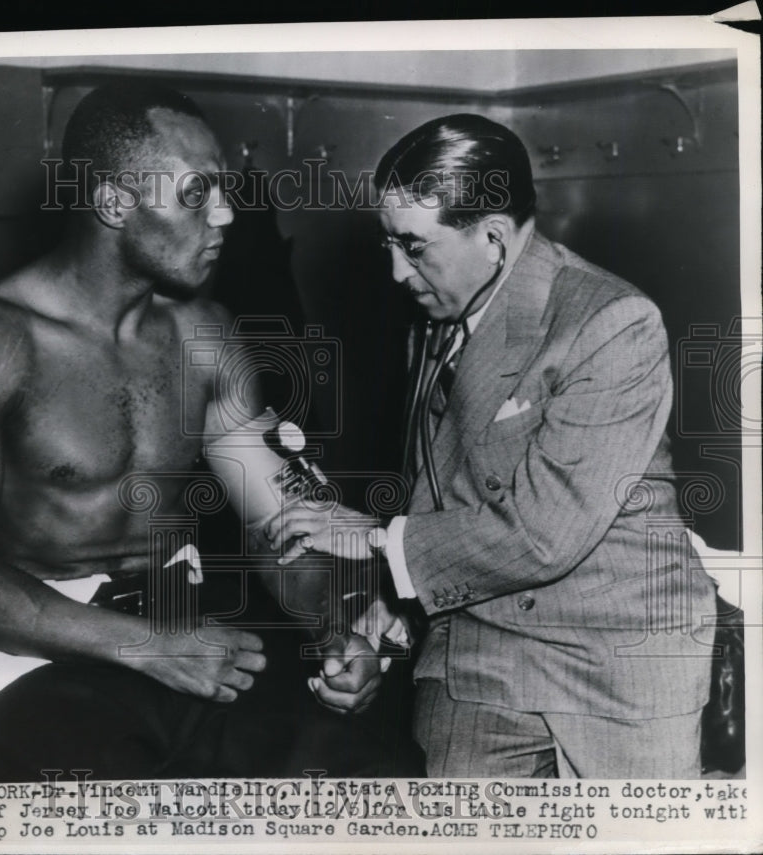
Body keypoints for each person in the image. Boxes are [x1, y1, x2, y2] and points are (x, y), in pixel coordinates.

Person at [0, 81, 408, 785]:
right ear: (112, 202)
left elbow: (283, 524)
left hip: (188, 640)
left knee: (372, 771)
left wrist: (341, 628)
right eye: (197, 194)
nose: (225, 214)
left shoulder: (206, 335)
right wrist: (145, 645)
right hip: (24, 654)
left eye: (222, 189)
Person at [267, 113, 716, 778]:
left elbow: (543, 534)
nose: (395, 271)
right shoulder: (437, 318)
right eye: (387, 243)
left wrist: (367, 536)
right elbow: (437, 498)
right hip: (481, 649)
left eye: (414, 247)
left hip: (615, 660)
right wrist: (378, 634)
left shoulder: (612, 323)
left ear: (496, 238)